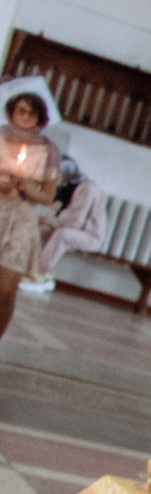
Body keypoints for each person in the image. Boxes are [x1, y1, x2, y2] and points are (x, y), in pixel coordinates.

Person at [0, 80, 64, 342]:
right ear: (11, 112)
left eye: (32, 113)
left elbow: (48, 196)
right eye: (21, 111)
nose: (25, 117)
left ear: (40, 118)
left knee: (6, 289)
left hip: (21, 220)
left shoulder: (48, 149)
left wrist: (28, 190)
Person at [36, 157, 106, 287]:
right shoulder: (67, 188)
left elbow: (76, 221)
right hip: (70, 227)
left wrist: (50, 221)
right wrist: (46, 221)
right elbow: (56, 210)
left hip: (90, 236)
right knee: (43, 231)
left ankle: (41, 275)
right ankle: (31, 269)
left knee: (61, 235)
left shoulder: (87, 188)